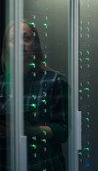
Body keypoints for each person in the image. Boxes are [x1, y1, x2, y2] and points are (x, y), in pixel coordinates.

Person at [0, 20, 68, 171]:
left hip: (44, 165)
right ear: (7, 47)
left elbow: (63, 131)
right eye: (13, 39)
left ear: (35, 44)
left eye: (26, 38)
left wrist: (31, 130)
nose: (20, 43)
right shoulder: (2, 83)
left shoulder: (54, 81)